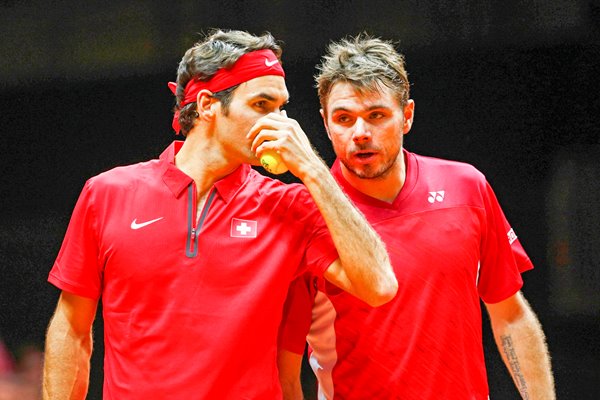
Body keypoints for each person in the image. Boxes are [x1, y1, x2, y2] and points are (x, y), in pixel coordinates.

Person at [42, 29, 398, 400]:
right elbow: (72, 328)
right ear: (209, 104)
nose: (279, 124)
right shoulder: (107, 194)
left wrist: (312, 168)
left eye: (281, 108)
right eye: (262, 105)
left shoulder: (288, 204)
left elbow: (379, 286)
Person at [277, 34, 555, 400]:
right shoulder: (304, 214)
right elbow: (284, 364)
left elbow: (510, 315)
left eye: (376, 115)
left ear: (406, 115)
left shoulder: (466, 188)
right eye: (344, 119)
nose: (360, 133)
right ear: (326, 124)